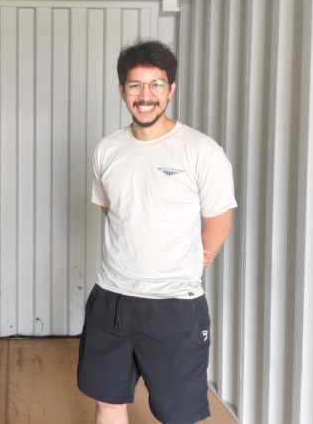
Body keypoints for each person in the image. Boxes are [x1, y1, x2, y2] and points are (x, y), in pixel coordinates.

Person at [77, 39, 237, 424]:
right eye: (136, 85)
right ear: (122, 90)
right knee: (108, 401)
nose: (146, 96)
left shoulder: (201, 151)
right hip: (112, 299)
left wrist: (192, 261)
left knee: (177, 414)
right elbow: (113, 211)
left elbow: (219, 222)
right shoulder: (107, 150)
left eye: (156, 84)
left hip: (174, 307)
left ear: (171, 89)